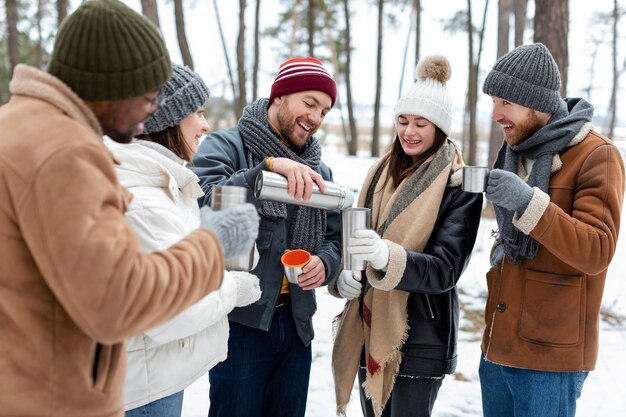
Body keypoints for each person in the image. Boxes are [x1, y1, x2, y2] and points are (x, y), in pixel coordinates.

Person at [0, 1, 259, 416]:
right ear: (112, 87)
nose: (152, 113)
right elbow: (118, 301)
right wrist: (213, 243)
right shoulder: (63, 154)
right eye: (148, 95)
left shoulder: (21, 126)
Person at [105, 63, 263, 417]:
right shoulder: (141, 198)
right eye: (197, 112)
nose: (206, 125)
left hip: (147, 377)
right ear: (163, 119)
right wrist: (232, 287)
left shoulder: (159, 185)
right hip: (140, 392)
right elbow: (173, 307)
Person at [331, 55, 483, 417]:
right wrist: (346, 277)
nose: (409, 132)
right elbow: (355, 242)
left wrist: (387, 258)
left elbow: (446, 269)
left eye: (421, 123)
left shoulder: (458, 185)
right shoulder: (380, 172)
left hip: (421, 338)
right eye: (403, 121)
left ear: (440, 128)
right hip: (370, 327)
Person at [479, 43, 625, 417]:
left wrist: (528, 204)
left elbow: (597, 250)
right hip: (498, 347)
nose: (495, 114)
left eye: (504, 102)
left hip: (550, 358)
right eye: (494, 101)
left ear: (535, 103)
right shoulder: (517, 149)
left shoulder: (597, 155)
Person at [191, 56, 342, 417]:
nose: (316, 118)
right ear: (279, 97)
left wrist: (327, 262)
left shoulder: (319, 169)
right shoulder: (226, 147)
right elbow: (201, 203)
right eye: (309, 103)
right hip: (241, 322)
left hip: (297, 324)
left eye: (324, 111)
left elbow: (335, 238)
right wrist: (265, 173)